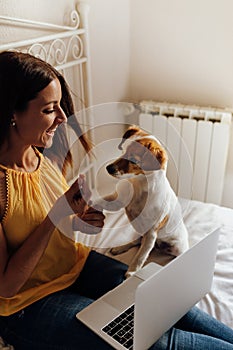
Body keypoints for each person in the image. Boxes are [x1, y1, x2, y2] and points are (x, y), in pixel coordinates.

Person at [0, 51, 232, 350]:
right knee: (156, 341)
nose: (62, 118)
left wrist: (75, 220)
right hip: (29, 304)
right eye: (49, 109)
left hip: (78, 266)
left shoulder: (39, 155)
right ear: (11, 112)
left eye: (60, 107)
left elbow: (43, 223)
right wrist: (56, 217)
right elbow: (6, 286)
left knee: (172, 304)